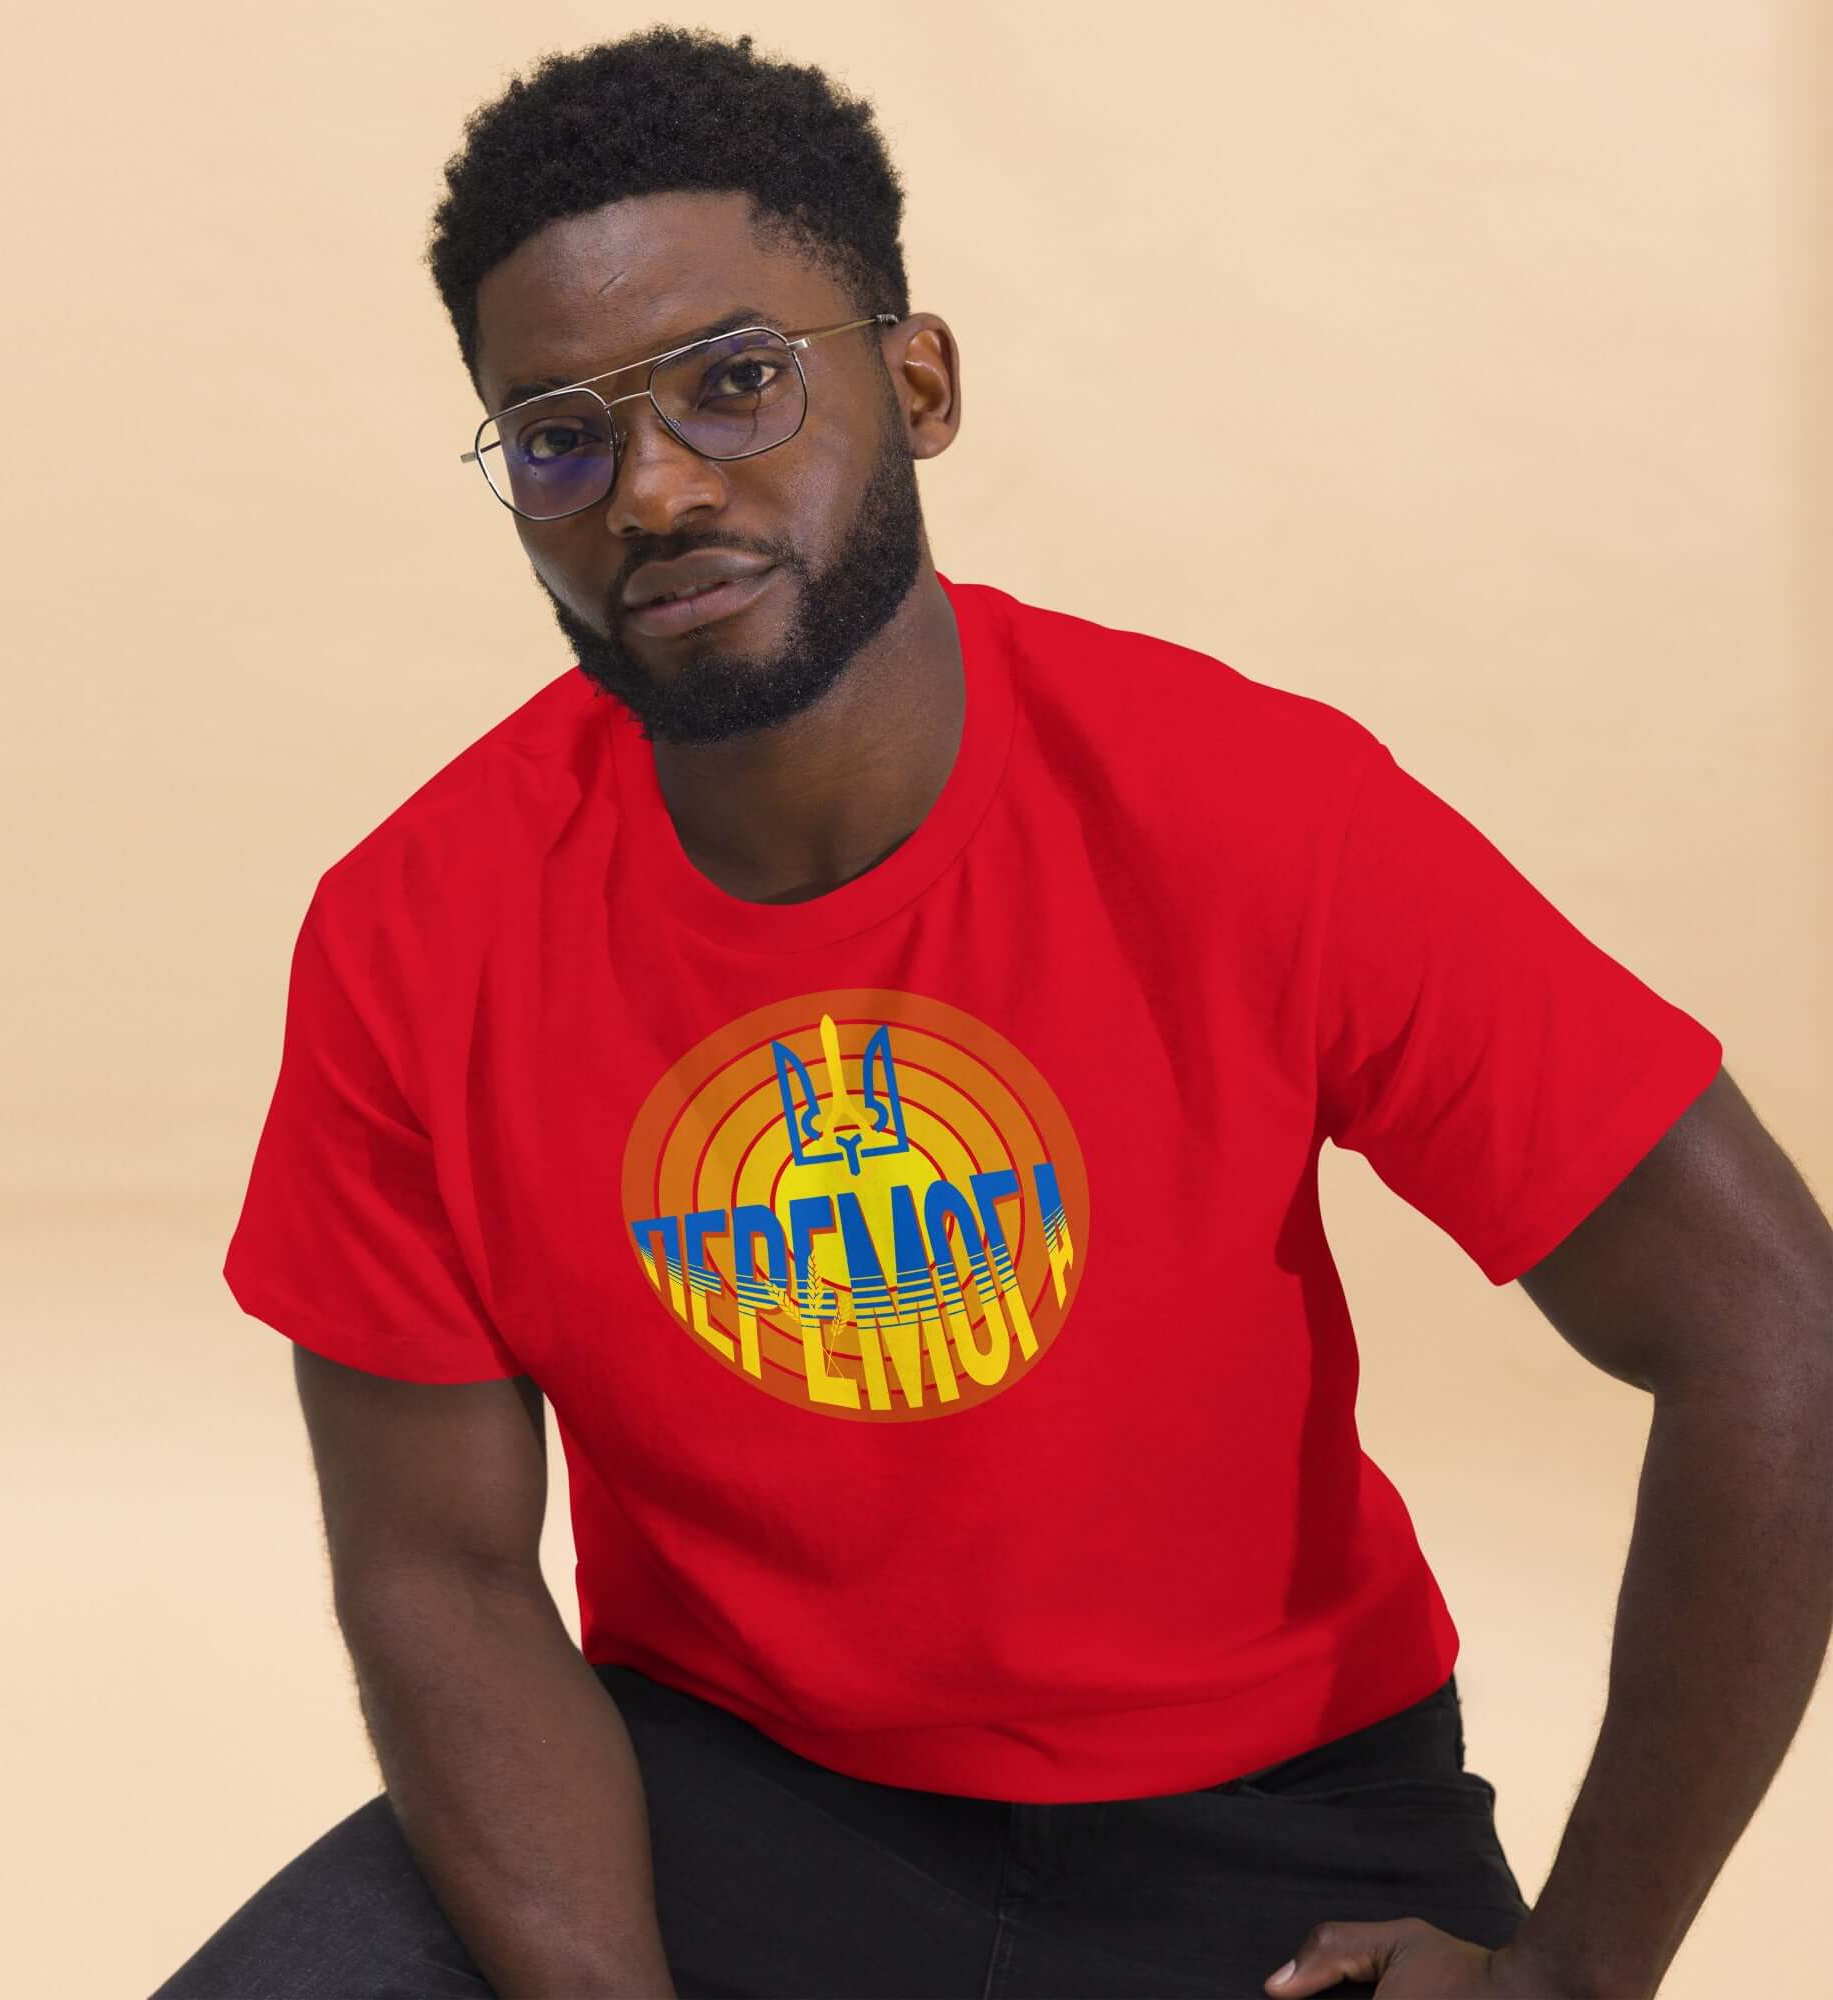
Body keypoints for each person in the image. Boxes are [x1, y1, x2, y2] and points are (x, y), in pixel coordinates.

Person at [153, 27, 1833, 2000]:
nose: (654, 488)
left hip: (1264, 1825)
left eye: (735, 382)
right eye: (558, 437)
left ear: (918, 382)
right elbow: (434, 1564)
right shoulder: (411, 930)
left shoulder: (1244, 808)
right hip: (723, 1796)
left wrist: (1574, 1973)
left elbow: (1771, 1328)